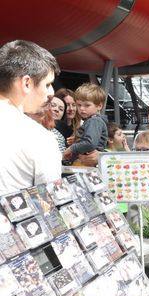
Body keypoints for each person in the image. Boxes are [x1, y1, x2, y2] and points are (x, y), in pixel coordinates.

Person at [0, 40, 61, 195]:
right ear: (27, 83)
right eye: (47, 84)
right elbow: (51, 198)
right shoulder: (40, 138)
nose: (51, 92)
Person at [62, 83, 108, 164]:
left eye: (87, 105)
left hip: (85, 163)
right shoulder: (92, 121)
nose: (82, 108)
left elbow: (90, 143)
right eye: (79, 105)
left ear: (99, 106)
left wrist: (72, 148)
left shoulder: (94, 121)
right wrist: (78, 139)